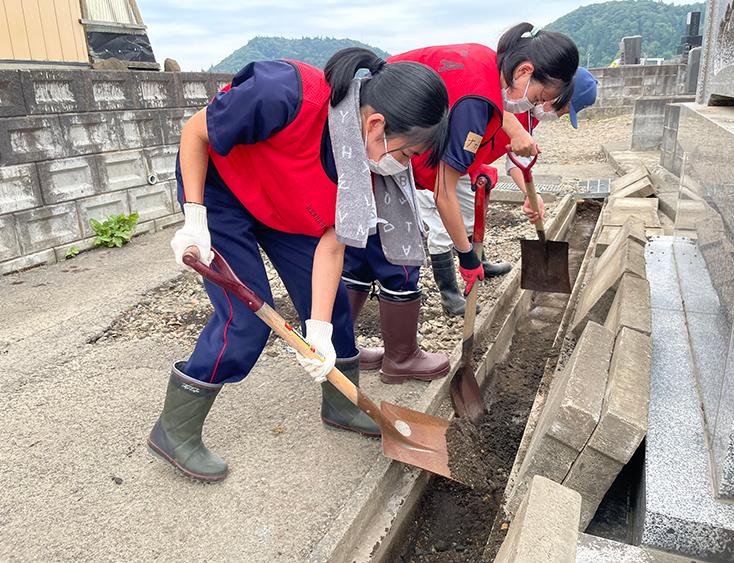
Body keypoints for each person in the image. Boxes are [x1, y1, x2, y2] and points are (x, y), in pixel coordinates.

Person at [147, 47, 451, 482]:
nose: (402, 166)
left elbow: (331, 246)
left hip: (284, 207)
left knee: (332, 310)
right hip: (223, 194)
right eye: (405, 154)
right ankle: (174, 431)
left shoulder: (364, 167)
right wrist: (195, 218)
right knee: (243, 322)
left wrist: (321, 334)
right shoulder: (286, 94)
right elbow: (196, 133)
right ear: (376, 124)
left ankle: (343, 405)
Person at [383, 23, 580, 318]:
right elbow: (443, 191)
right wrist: (466, 257)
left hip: (395, 134)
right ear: (525, 71)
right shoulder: (476, 100)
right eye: (539, 98)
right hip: (378, 133)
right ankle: (402, 340)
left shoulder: (488, 63)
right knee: (390, 254)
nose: (536, 105)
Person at [506, 67, 597, 212]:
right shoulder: (513, 99)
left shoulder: (531, 117)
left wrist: (531, 194)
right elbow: (492, 104)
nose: (557, 115)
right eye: (561, 109)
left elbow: (520, 159)